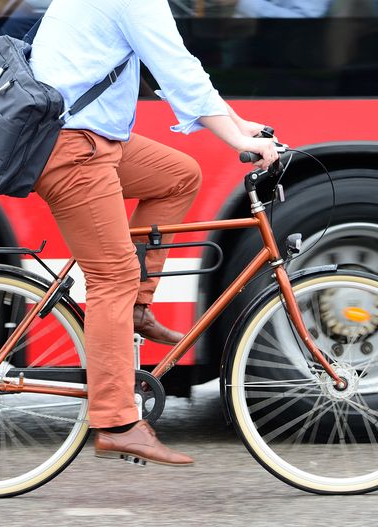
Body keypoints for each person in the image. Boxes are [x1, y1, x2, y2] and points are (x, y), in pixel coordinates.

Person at [29, 0, 279, 466]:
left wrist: (237, 123)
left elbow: (170, 68)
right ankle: (118, 422)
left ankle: (137, 308)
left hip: (92, 139)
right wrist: (239, 141)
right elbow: (177, 67)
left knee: (177, 174)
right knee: (112, 277)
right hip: (72, 148)